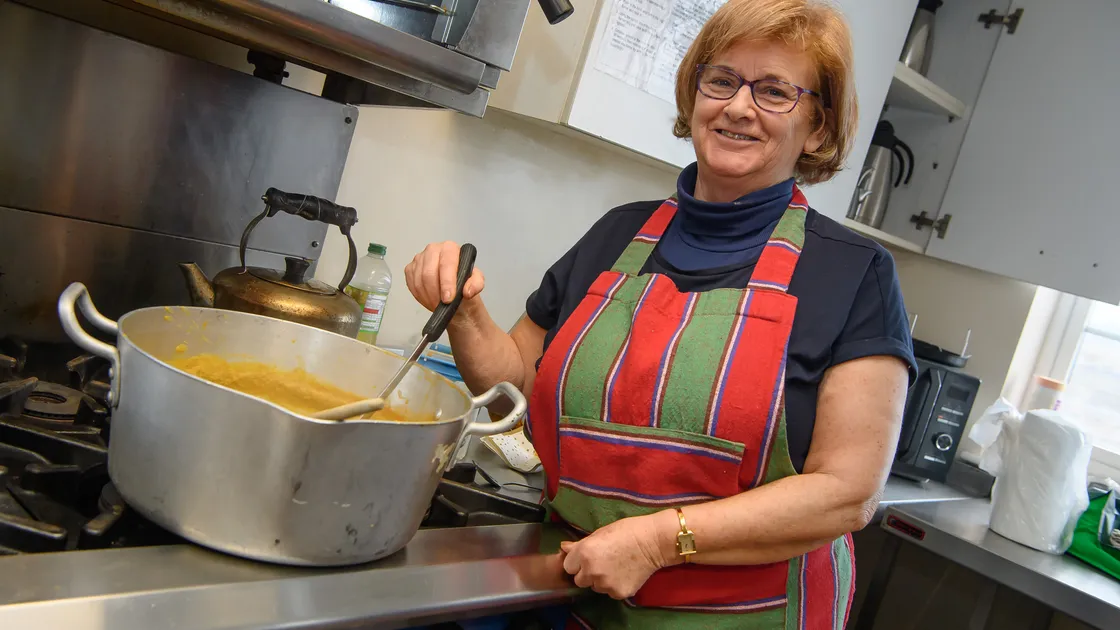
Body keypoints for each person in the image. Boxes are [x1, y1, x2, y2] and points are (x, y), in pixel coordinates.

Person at [405, 0, 915, 626]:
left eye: (775, 91)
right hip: (582, 595)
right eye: (721, 80)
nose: (737, 106)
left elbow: (846, 494)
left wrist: (655, 541)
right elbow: (516, 383)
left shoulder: (853, 273)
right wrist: (462, 308)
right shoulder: (616, 235)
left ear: (816, 127)